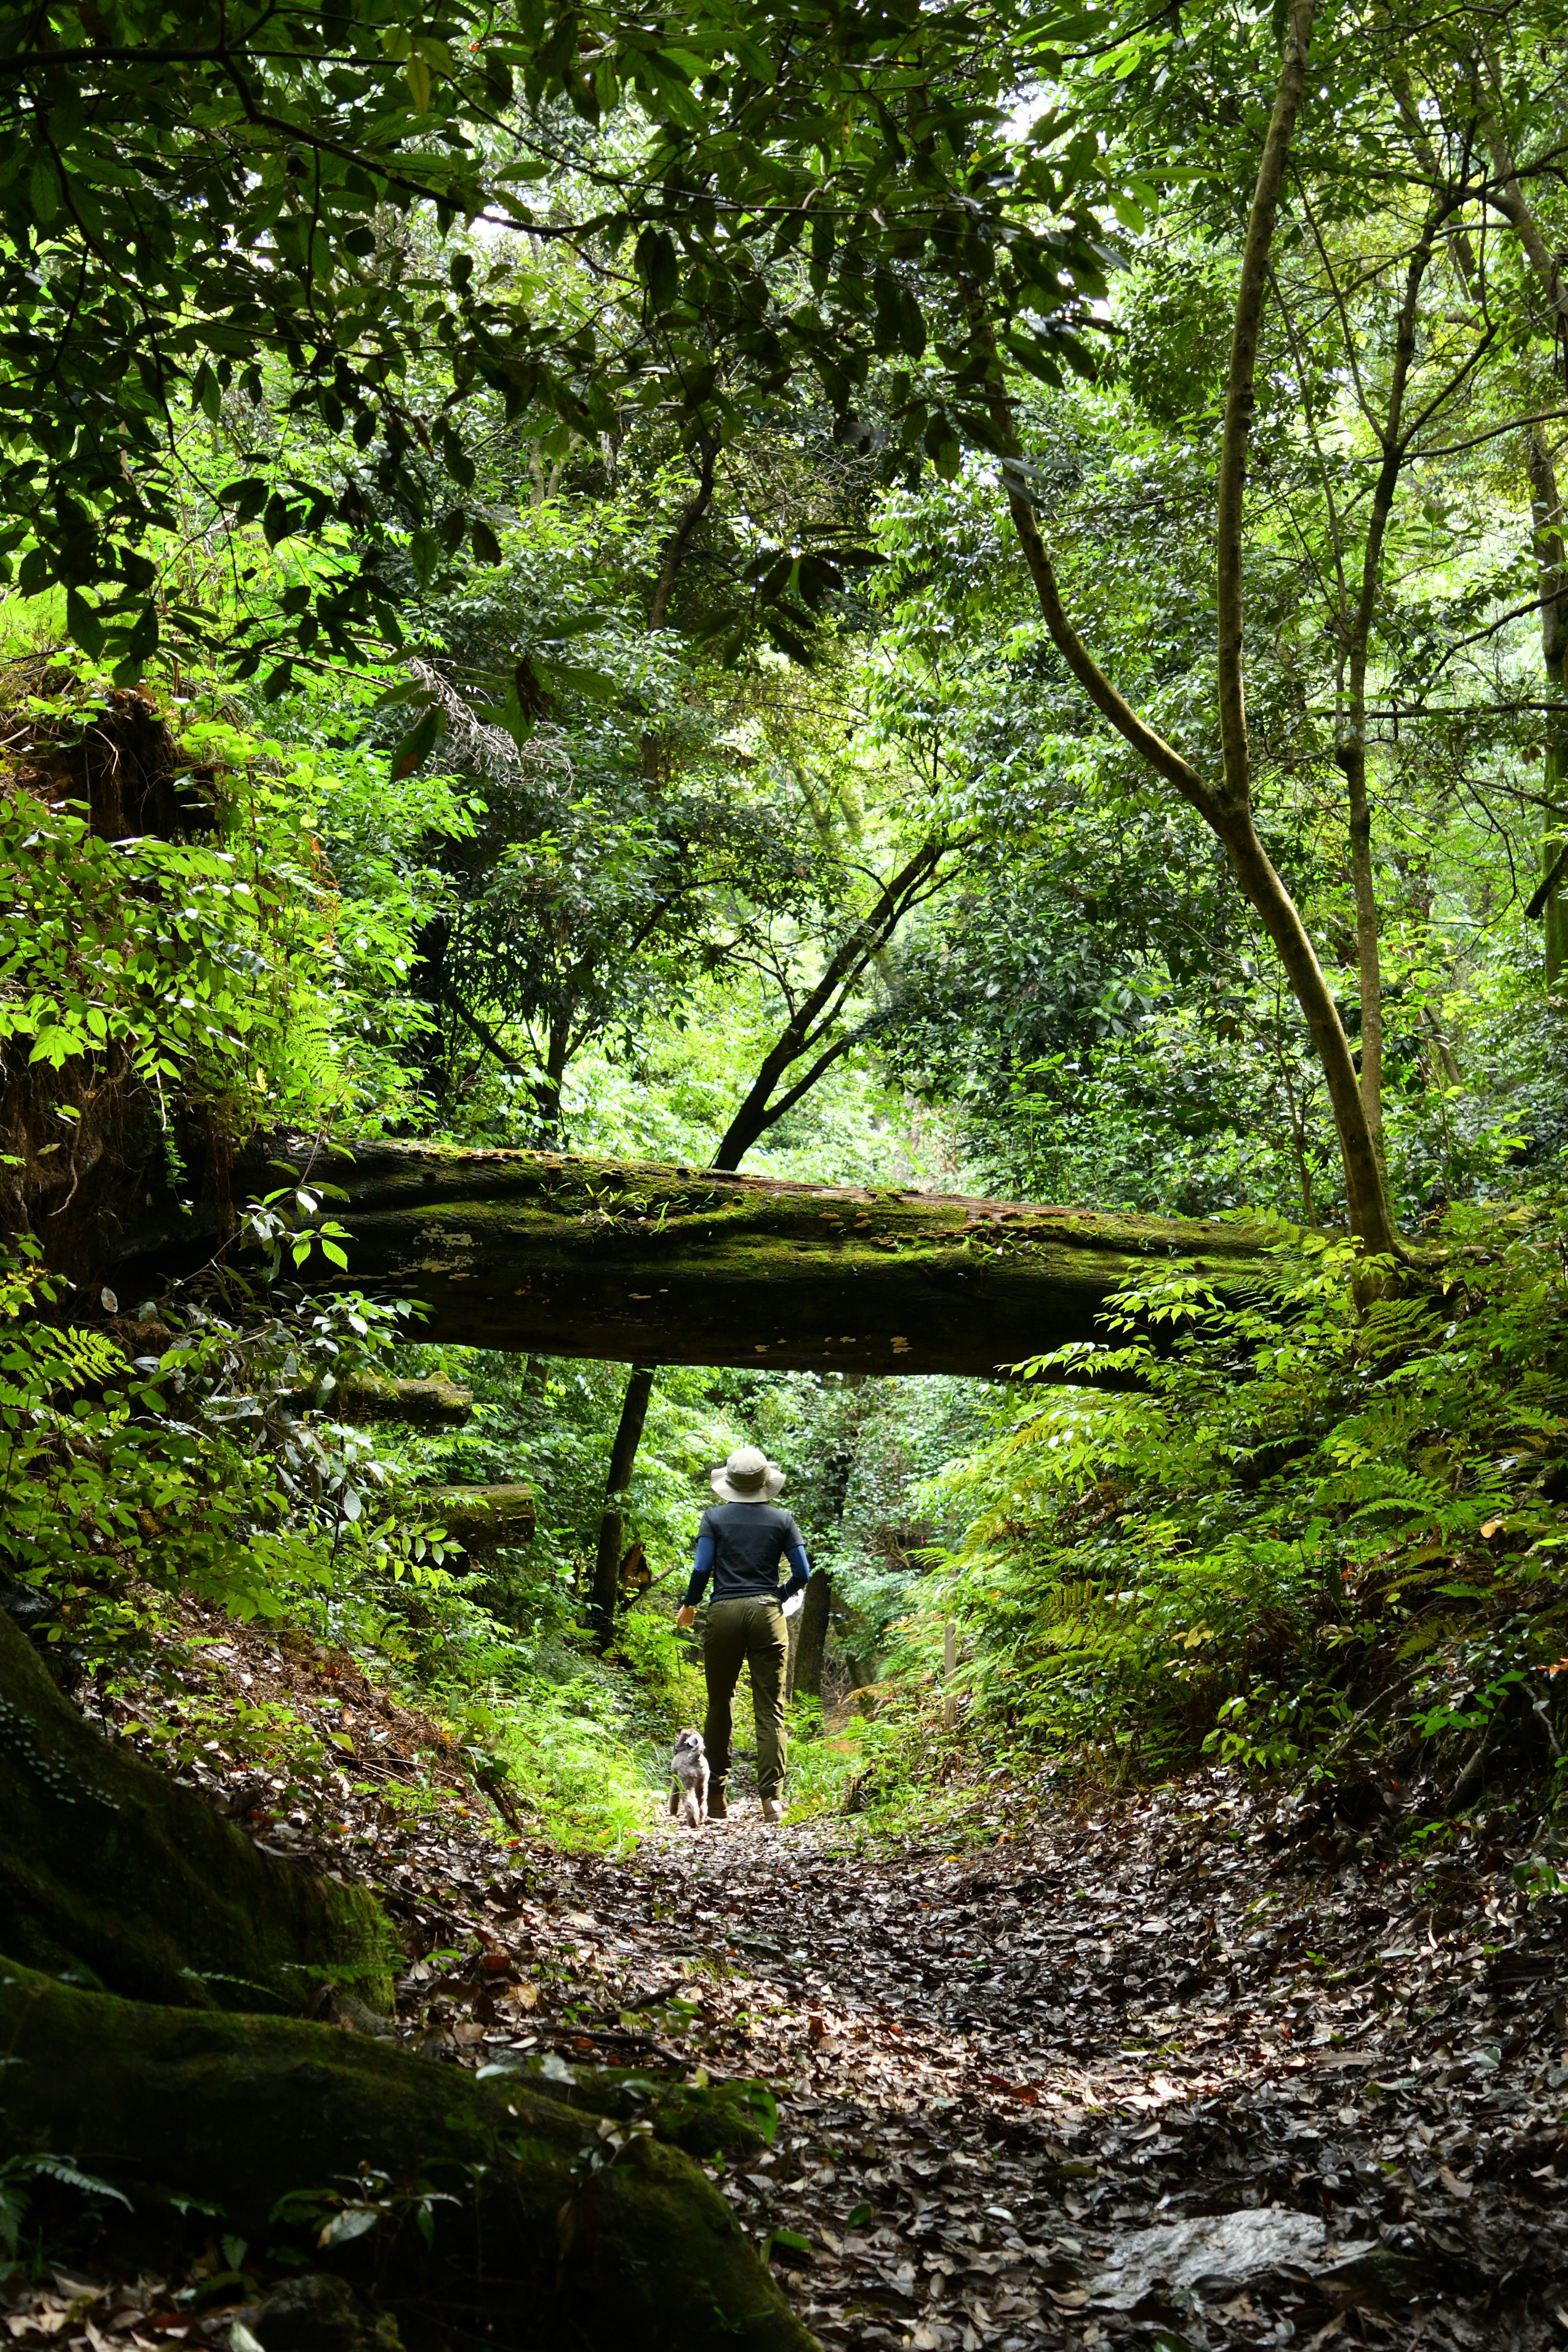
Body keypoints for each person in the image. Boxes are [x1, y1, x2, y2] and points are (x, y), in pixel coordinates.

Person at [675, 1445, 810, 1824]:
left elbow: (702, 1569)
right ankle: (773, 1801)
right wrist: (776, 1596)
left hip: (724, 1614)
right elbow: (803, 1574)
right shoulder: (783, 1520)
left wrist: (690, 1605)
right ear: (765, 1482)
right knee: (771, 1708)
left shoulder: (714, 1518)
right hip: (768, 1615)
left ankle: (715, 1796)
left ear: (730, 1483)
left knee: (720, 1704)